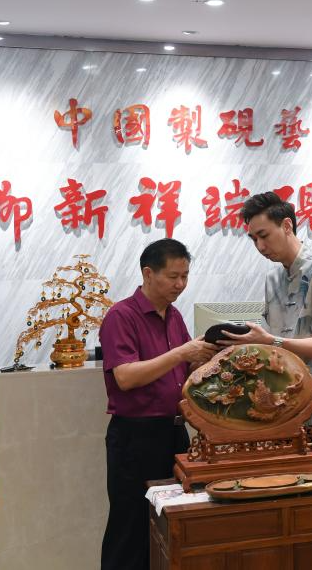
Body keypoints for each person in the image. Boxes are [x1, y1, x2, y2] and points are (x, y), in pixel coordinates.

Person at [99, 238, 216, 570]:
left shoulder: (174, 316)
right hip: (136, 438)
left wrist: (203, 360)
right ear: (148, 274)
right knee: (131, 527)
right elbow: (125, 377)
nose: (180, 284)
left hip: (175, 432)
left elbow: (180, 375)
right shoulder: (121, 316)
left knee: (170, 525)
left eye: (185, 276)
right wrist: (181, 353)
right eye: (173, 276)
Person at [219, 191, 312, 454]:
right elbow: (271, 342)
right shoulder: (272, 279)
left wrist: (271, 341)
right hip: (279, 404)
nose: (260, 246)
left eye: (264, 235)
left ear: (287, 225)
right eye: (253, 239)